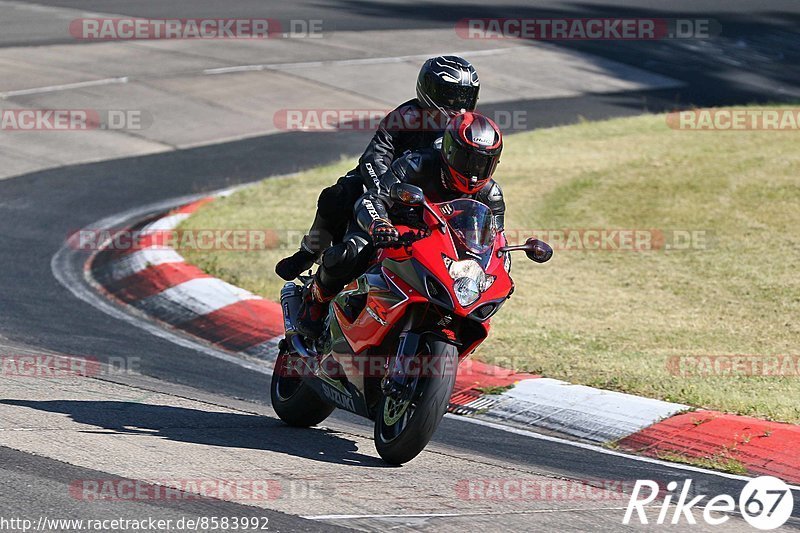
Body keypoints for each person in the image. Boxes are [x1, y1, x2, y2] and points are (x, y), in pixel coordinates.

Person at [296, 111, 506, 339]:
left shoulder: (491, 195)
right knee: (350, 254)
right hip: (393, 233)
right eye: (467, 160)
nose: (474, 173)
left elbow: (496, 240)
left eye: (483, 164)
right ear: (448, 150)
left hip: (443, 250)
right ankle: (315, 300)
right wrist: (378, 222)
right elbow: (373, 199)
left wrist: (502, 263)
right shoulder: (417, 164)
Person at [275, 55, 481, 282]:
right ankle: (309, 253)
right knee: (336, 195)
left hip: (430, 200)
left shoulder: (468, 131)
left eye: (466, 97)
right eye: (452, 98)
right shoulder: (404, 118)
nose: (459, 106)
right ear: (429, 91)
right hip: (384, 187)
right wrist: (389, 194)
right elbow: (373, 159)